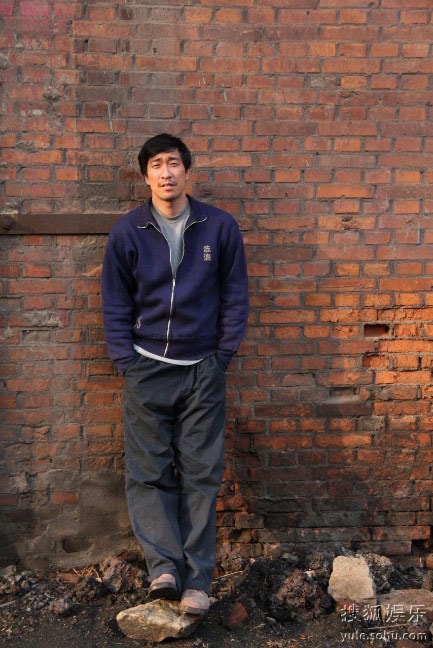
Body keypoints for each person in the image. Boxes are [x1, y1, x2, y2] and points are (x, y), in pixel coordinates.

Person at [101, 133, 249, 616]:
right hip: (146, 368)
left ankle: (198, 582)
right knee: (148, 475)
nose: (166, 173)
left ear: (187, 171)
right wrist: (127, 361)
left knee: (202, 477)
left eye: (173, 163)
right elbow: (115, 302)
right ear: (145, 176)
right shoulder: (128, 231)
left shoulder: (219, 227)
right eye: (156, 165)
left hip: (203, 369)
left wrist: (220, 357)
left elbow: (235, 295)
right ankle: (163, 570)